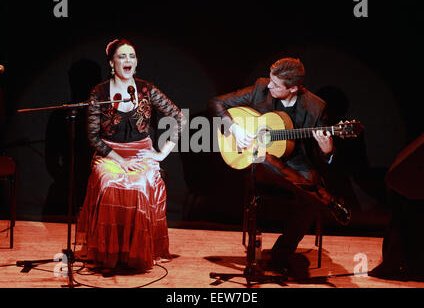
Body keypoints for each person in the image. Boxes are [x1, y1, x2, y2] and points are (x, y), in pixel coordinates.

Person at [207, 57, 351, 274]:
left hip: (296, 164)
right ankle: (326, 198)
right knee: (263, 157)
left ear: (293, 88)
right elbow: (216, 102)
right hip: (261, 165)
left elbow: (324, 159)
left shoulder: (315, 107)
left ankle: (281, 254)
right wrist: (235, 129)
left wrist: (327, 149)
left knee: (310, 185)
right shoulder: (261, 87)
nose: (269, 86)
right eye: (270, 81)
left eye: (276, 85)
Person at [76, 39, 186, 273]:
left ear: (136, 63)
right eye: (122, 56)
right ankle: (110, 254)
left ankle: (136, 255)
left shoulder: (146, 89)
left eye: (132, 56)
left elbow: (179, 117)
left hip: (142, 154)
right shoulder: (99, 93)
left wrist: (163, 152)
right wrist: (120, 160)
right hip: (109, 155)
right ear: (111, 63)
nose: (128, 61)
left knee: (141, 184)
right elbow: (94, 138)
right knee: (109, 183)